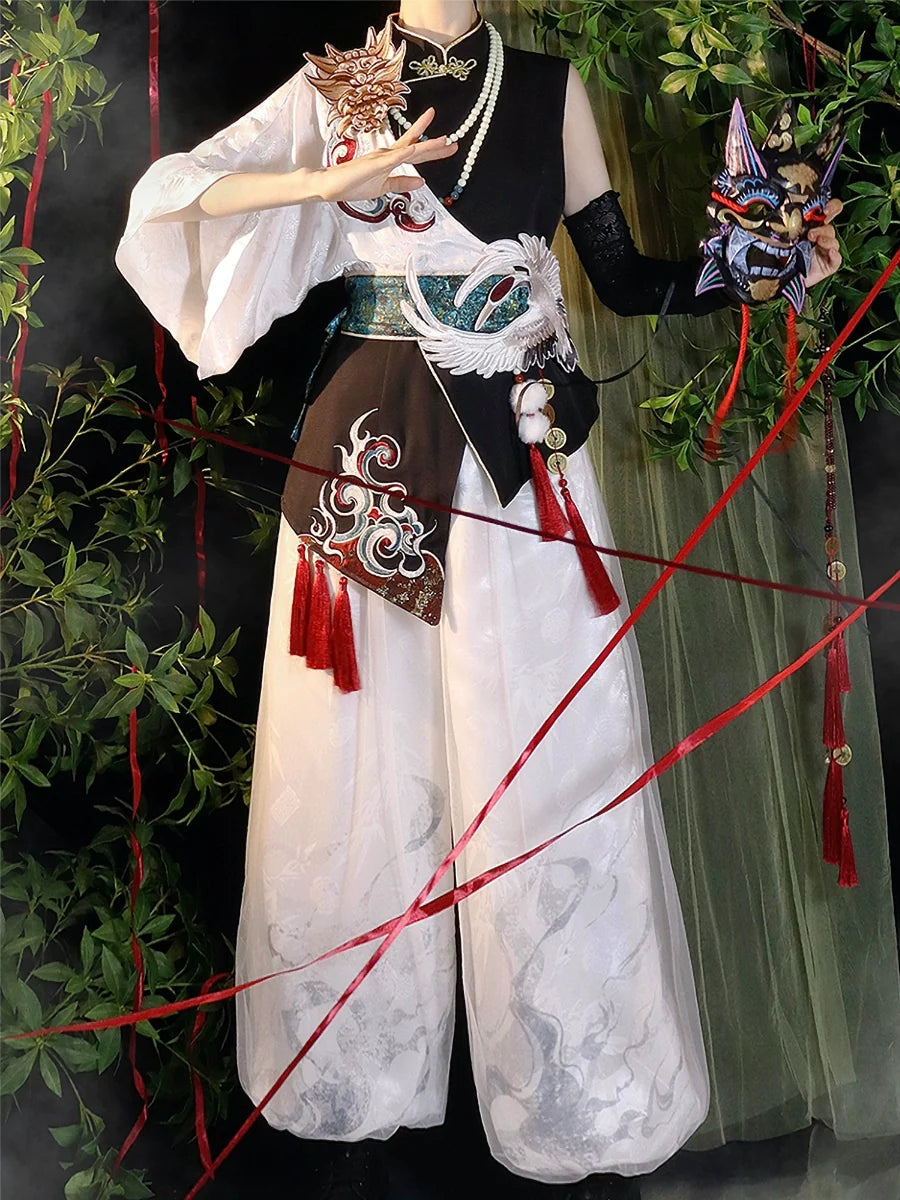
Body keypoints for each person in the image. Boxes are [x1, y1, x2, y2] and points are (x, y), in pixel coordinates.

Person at [114, 3, 842, 1197]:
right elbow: (175, 195)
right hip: (368, 460)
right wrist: (326, 177)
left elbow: (618, 277)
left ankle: (582, 1088)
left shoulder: (550, 86)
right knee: (356, 760)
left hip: (520, 451)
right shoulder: (341, 86)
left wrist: (762, 270)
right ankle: (351, 1068)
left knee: (554, 759)